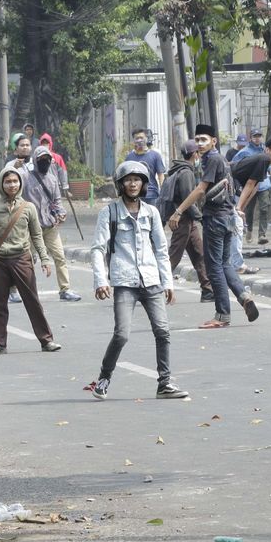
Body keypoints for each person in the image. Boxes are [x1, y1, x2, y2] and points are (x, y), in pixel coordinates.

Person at [88, 162, 187, 400]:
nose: (133, 184)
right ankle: (104, 378)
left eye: (137, 179)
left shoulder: (151, 213)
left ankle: (164, 383)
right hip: (124, 281)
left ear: (143, 184)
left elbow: (162, 250)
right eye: (128, 180)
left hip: (151, 280)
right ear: (121, 184)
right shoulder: (109, 213)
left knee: (163, 331)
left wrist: (168, 283)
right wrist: (100, 280)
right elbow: (98, 249)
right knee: (122, 334)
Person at [166, 123, 258, 329]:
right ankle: (244, 297)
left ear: (213, 141)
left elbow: (200, 189)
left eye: (203, 140)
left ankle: (222, 315)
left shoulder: (214, 159)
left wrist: (179, 211)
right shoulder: (218, 159)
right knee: (225, 264)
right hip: (226, 218)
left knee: (214, 267)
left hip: (216, 219)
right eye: (197, 140)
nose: (199, 143)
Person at [0, 167, 61, 355]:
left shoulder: (28, 207)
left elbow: (37, 235)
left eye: (15, 181)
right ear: (1, 183)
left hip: (22, 259)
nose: (12, 185)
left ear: (20, 183)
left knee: (32, 301)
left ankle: (46, 340)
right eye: (8, 181)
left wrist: (44, 258)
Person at [22, 145, 80, 301]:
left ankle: (65, 289)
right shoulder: (26, 177)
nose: (45, 162)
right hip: (30, 228)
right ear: (35, 160)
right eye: (41, 159)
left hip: (49, 226)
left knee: (60, 257)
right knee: (26, 259)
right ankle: (18, 290)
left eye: (47, 159)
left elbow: (56, 201)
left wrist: (61, 213)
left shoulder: (53, 179)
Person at [163, 140, 212, 302]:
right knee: (173, 257)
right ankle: (152, 289)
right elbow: (188, 200)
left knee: (199, 254)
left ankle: (207, 290)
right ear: (194, 154)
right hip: (182, 220)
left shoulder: (180, 170)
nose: (200, 156)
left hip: (187, 221)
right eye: (198, 153)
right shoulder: (186, 173)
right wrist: (201, 218)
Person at [232, 129, 271, 244]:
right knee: (250, 210)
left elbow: (270, 163)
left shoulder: (266, 150)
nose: (257, 138)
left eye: (259, 136)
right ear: (251, 138)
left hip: (263, 184)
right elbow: (236, 166)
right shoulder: (244, 152)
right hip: (249, 185)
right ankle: (249, 230)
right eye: (255, 136)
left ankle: (262, 234)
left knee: (264, 208)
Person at [124, 128, 166, 204]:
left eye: (141, 138)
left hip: (151, 195)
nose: (139, 140)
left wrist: (163, 193)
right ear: (133, 140)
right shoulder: (129, 158)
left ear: (146, 139)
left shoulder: (155, 155)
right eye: (137, 138)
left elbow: (161, 176)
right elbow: (125, 176)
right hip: (134, 195)